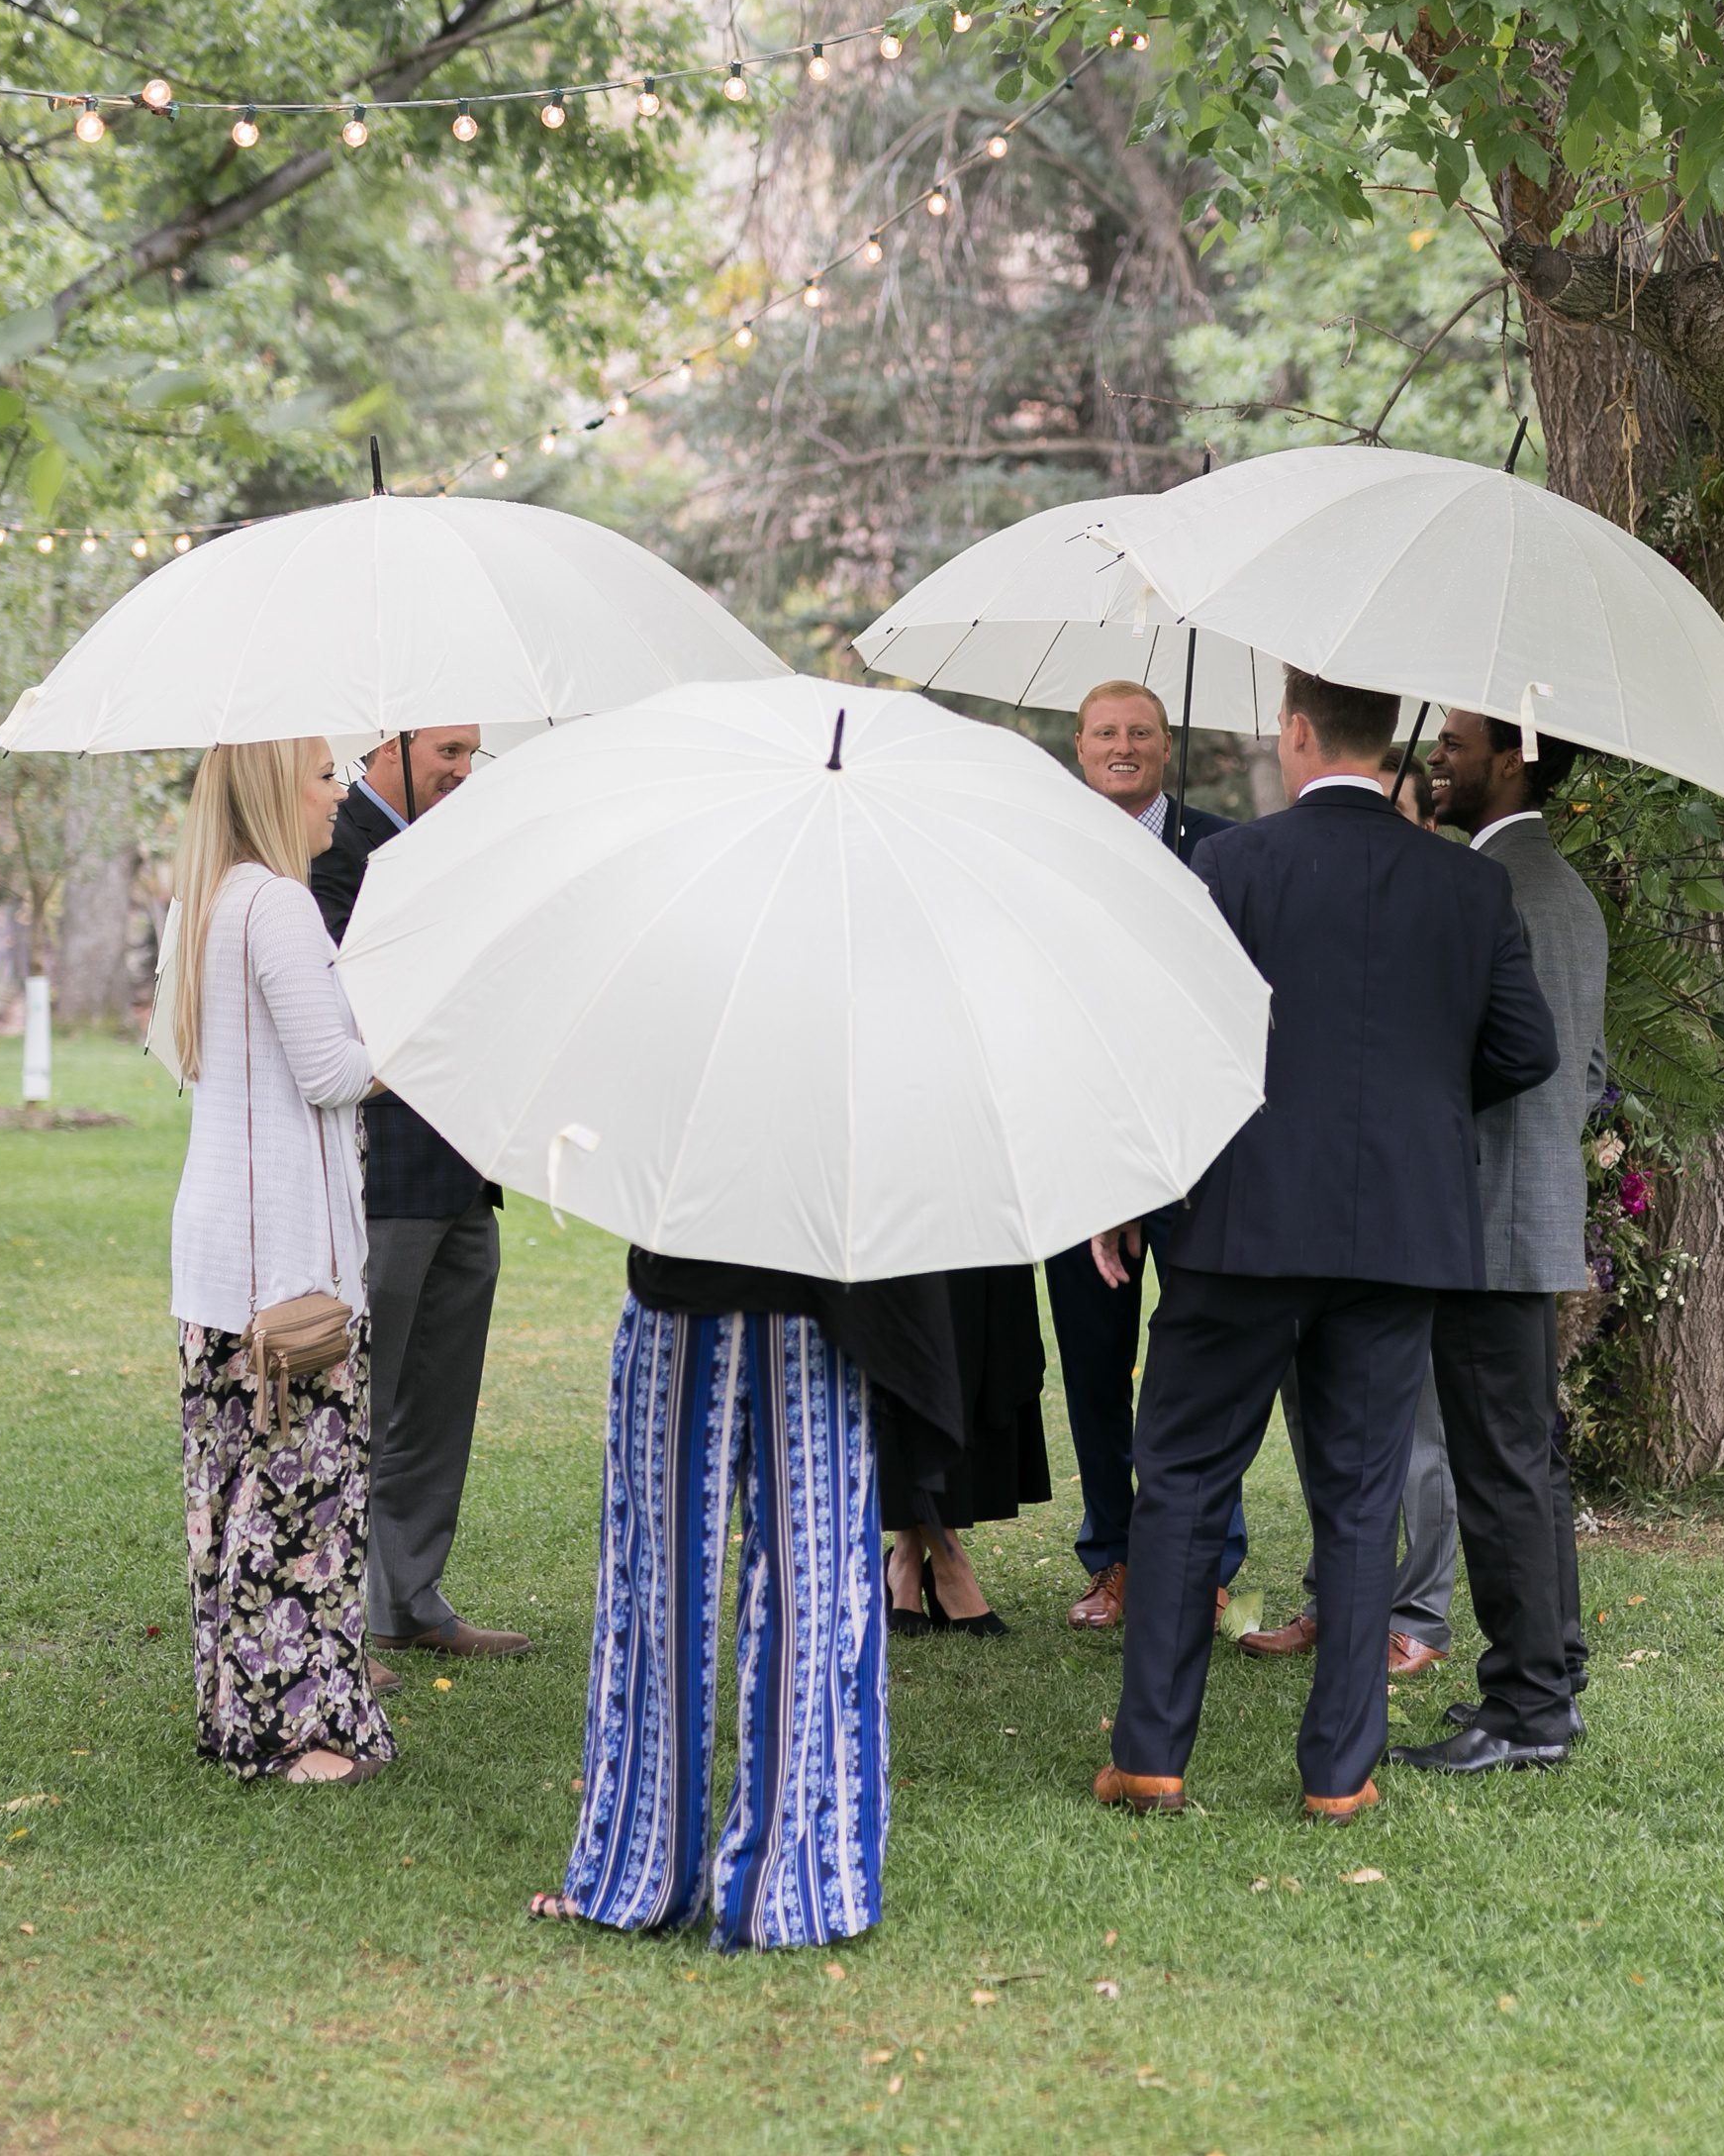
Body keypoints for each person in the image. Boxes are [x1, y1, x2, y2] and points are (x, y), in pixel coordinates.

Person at [1092, 669, 1559, 1824]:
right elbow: (1524, 1049)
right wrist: (1417, 1105)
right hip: (1399, 1231)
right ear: (1389, 738)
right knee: (1358, 1499)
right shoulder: (1465, 886)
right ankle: (1337, 1776)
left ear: (1295, 733)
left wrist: (1131, 1187)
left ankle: (1151, 1755)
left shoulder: (1226, 866)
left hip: (1237, 1222)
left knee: (1186, 1477)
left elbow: (1170, 1041)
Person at [527, 1253, 964, 1951]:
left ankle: (644, 1875)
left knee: (666, 1598)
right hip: (811, 1296)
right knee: (807, 1602)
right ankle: (793, 1893)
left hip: (735, 1291)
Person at [1388, 707, 1608, 1777]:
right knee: (1530, 1457)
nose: (1436, 751)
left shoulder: (1500, 885)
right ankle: (1549, 1670)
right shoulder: (1555, 885)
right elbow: (1586, 1070)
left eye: (1456, 739)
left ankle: (1524, 1709)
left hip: (1483, 1215)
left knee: (1499, 1465)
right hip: (1529, 1209)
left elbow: (1500, 1053)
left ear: (1513, 755)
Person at [167, 735, 391, 1786]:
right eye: (320, 775)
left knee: (234, 1497)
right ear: (270, 788)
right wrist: (422, 1041)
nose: (339, 790)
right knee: (301, 1507)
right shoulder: (280, 906)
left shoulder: (207, 901)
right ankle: (298, 1735)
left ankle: (240, 1711)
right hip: (287, 1262)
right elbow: (332, 1071)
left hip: (217, 1258)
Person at [311, 727, 529, 1664]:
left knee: (440, 1404)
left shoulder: (463, 849)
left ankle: (408, 1599)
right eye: (448, 748)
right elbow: (340, 1008)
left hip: (465, 1171)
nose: (463, 770)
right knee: (362, 1400)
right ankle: (329, 1619)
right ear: (388, 746)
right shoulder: (334, 851)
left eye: (473, 753)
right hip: (384, 1171)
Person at [1244, 740, 1459, 1679]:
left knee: (1409, 1436)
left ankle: (1416, 1615)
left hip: (1407, 1209)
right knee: (1315, 1425)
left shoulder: (1451, 904)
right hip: (1301, 1208)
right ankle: (1336, 1603)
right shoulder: (1310, 902)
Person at [1042, 677, 1245, 1630]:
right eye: (1105, 733)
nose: (1122, 746)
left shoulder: (1221, 849)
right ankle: (1115, 1557)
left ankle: (1201, 1560)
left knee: (1205, 1365)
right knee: (1091, 1364)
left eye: (1141, 732)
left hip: (1198, 1152)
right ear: (1078, 747)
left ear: (1168, 747)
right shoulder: (1041, 849)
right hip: (1078, 1147)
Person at [881, 1266, 1050, 1632]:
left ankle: (906, 1559)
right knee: (924, 1315)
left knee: (982, 1327)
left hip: (988, 1212)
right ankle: (949, 1567)